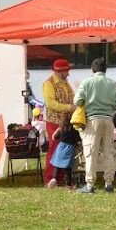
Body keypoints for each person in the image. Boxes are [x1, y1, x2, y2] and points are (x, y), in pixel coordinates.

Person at [74, 57, 116, 193]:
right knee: (108, 152)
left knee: (91, 153)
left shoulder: (86, 82)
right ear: (105, 70)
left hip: (92, 120)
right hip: (108, 120)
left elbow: (77, 101)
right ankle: (109, 183)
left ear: (92, 69)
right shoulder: (113, 84)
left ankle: (90, 185)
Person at [41, 59, 76, 187]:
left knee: (64, 149)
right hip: (54, 122)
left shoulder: (65, 83)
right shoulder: (49, 84)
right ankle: (50, 177)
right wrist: (69, 108)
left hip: (66, 122)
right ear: (60, 71)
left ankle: (60, 177)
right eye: (66, 71)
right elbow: (50, 103)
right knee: (54, 148)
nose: (68, 73)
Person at [47, 123, 80, 187]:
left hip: (61, 148)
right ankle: (68, 184)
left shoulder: (61, 130)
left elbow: (54, 137)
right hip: (70, 149)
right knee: (68, 168)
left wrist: (57, 130)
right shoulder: (75, 132)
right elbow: (78, 141)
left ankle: (54, 179)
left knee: (57, 165)